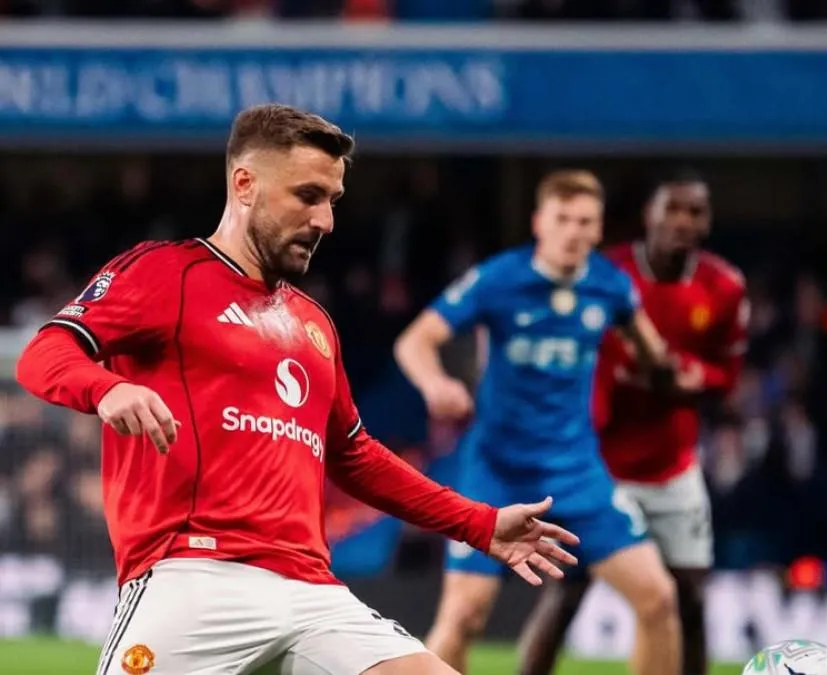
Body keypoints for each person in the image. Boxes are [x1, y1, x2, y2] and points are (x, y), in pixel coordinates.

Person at [14, 104, 579, 675]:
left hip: (310, 590)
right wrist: (106, 388)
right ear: (245, 185)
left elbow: (354, 455)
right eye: (308, 196)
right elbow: (46, 353)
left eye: (332, 200)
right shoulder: (165, 274)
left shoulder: (313, 323)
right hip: (194, 576)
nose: (325, 221)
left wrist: (479, 523)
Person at [394, 170, 683, 675]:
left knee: (658, 599)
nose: (573, 231)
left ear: (598, 230)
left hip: (578, 473)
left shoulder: (610, 286)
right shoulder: (498, 279)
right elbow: (414, 341)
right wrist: (435, 384)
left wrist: (662, 367)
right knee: (463, 615)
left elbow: (653, 352)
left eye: (584, 221)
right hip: (496, 475)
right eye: (562, 218)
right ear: (538, 223)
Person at [517, 169, 747, 675]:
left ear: (707, 221)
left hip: (672, 468)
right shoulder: (604, 276)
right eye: (673, 209)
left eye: (695, 211)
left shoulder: (725, 288)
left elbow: (728, 378)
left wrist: (692, 378)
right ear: (650, 215)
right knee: (567, 593)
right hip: (599, 466)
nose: (683, 221)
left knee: (691, 599)